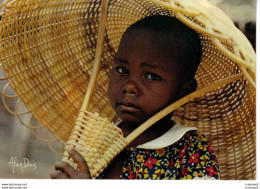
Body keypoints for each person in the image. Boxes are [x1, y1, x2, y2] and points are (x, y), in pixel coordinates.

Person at [50, 15, 220, 180]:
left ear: (185, 92)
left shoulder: (191, 151)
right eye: (122, 70)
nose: (129, 86)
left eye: (152, 76)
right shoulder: (94, 142)